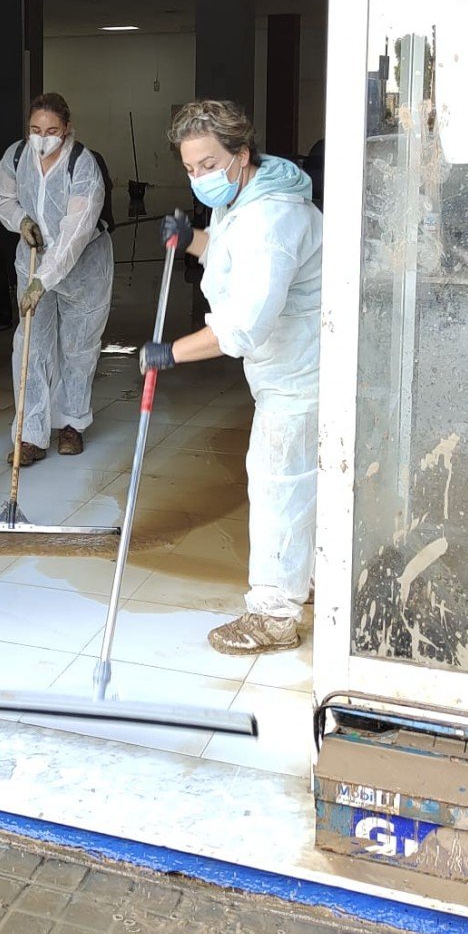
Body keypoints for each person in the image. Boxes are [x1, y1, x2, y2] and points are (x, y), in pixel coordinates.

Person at [139, 100, 322, 656]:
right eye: (190, 168)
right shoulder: (251, 196)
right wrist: (194, 238)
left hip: (302, 372)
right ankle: (306, 576)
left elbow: (240, 326)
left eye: (209, 164)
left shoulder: (273, 219)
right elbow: (233, 255)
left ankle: (274, 613)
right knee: (304, 480)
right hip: (286, 367)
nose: (199, 178)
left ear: (241, 155)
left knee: (279, 481)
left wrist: (169, 352)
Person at [0, 92, 114, 465]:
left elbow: (74, 233)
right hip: (31, 259)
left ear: (67, 129)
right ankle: (29, 435)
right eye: (35, 129)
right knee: (30, 346)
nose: (42, 138)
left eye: (51, 130)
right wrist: (22, 222)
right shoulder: (17, 156)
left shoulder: (83, 165)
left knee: (78, 347)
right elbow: (2, 197)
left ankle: (72, 424)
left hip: (82, 266)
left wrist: (42, 281)